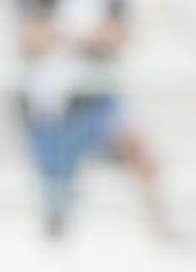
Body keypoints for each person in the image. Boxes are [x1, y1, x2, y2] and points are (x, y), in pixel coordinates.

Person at [18, 0, 170, 240]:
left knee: (141, 152)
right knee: (56, 209)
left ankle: (161, 229)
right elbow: (31, 39)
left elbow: (119, 37)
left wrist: (64, 37)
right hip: (54, 111)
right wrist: (87, 37)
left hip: (99, 102)